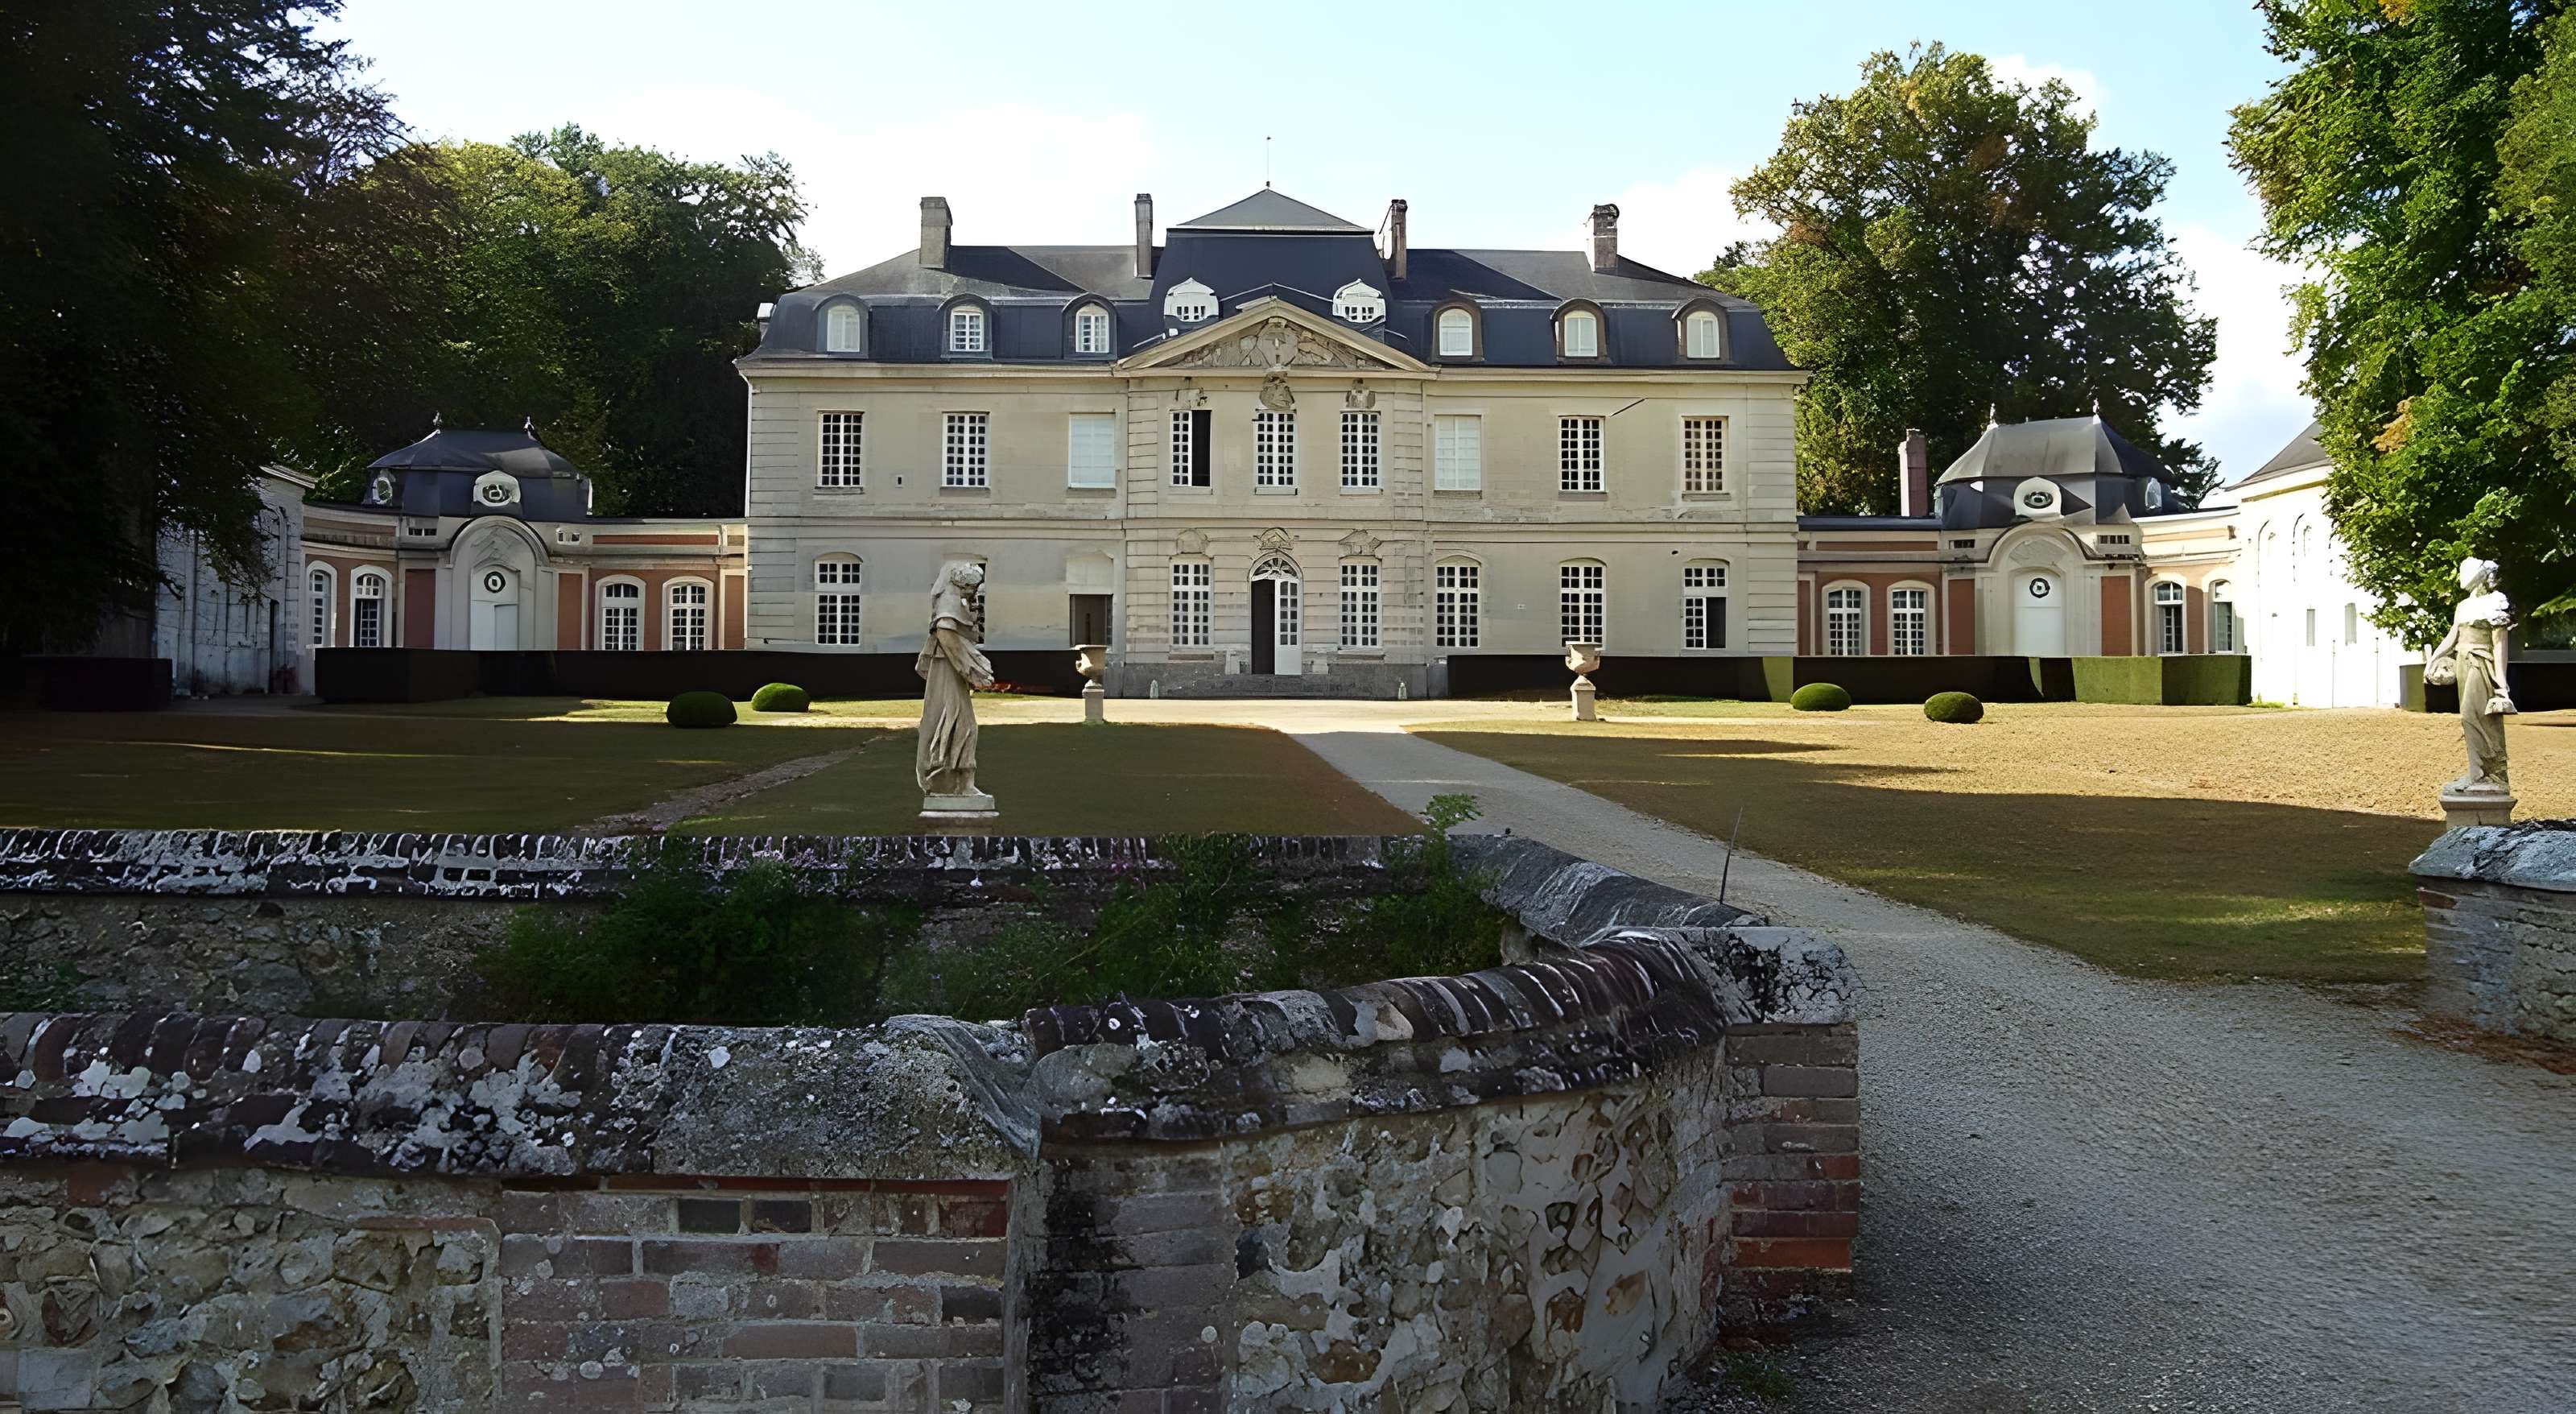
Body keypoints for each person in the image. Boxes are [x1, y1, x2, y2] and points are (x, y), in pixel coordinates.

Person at [2423, 556, 2516, 795]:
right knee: (2469, 716)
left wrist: (2501, 683)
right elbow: (2453, 637)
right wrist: (2433, 659)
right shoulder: (2463, 606)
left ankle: (2490, 774)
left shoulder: (2496, 602)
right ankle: (2479, 771)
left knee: (2474, 715)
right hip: (2463, 662)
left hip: (2480, 662)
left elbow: (2499, 644)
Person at [915, 560, 996, 804]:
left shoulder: (955, 599)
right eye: (972, 588)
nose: (974, 593)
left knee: (959, 722)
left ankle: (958, 781)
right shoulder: (950, 601)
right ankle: (956, 781)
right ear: (961, 584)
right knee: (961, 723)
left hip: (948, 670)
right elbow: (945, 633)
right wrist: (971, 667)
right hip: (948, 671)